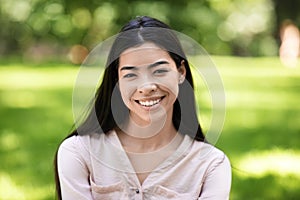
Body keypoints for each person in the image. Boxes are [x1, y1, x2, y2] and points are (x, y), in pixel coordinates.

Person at [54, 16, 231, 200]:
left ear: (180, 72)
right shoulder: (79, 152)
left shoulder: (211, 165)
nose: (146, 87)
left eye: (159, 71)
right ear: (117, 82)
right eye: (131, 74)